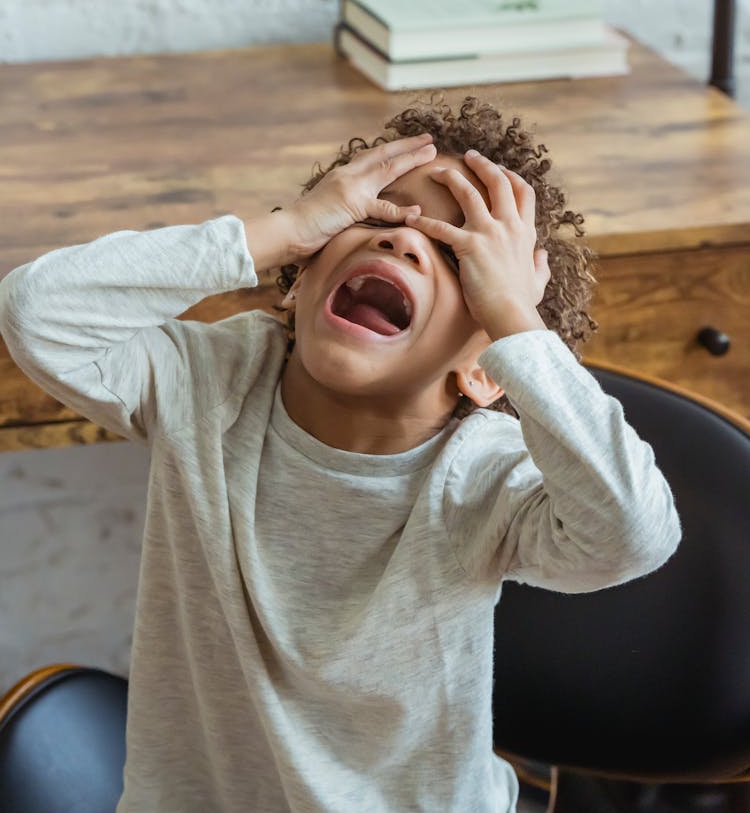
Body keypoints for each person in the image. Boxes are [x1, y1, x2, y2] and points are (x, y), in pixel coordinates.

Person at [0, 95, 681, 812]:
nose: (402, 241)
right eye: (377, 214)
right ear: (298, 282)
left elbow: (634, 531)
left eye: (459, 256)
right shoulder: (209, 384)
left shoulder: (482, 476)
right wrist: (279, 230)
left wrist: (515, 316)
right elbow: (36, 314)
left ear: (486, 369)